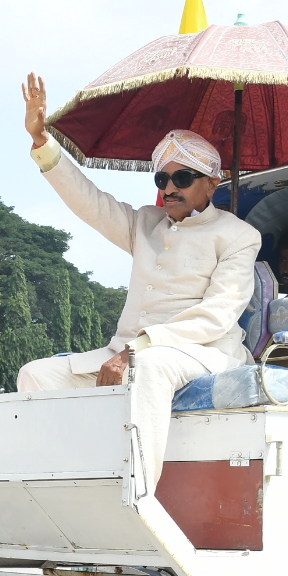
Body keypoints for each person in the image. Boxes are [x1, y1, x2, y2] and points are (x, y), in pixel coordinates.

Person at [19, 73, 260, 491]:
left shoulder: (239, 235)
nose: (169, 188)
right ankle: (58, 489)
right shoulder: (145, 223)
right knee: (36, 375)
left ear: (212, 183)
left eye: (182, 178)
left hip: (202, 352)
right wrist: (42, 142)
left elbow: (217, 316)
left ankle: (136, 495)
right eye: (161, 179)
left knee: (149, 366)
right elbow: (90, 202)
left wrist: (139, 348)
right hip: (126, 351)